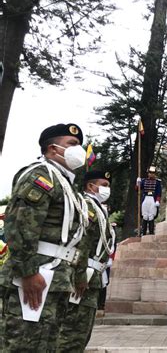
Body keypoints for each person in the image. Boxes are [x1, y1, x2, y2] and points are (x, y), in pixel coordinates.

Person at [0, 123, 89, 351]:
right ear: (52, 149)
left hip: (56, 277)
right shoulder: (40, 176)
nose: (78, 149)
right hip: (37, 274)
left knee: (46, 345)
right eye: (72, 144)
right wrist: (28, 272)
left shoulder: (66, 184)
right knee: (22, 344)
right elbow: (19, 226)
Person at [57, 170, 115, 351]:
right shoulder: (87, 207)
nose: (107, 189)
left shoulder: (97, 208)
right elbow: (81, 241)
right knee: (72, 334)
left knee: (81, 334)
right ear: (91, 186)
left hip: (93, 277)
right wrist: (79, 275)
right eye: (103, 185)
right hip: (84, 275)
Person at [136, 166, 161, 236]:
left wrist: (158, 201)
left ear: (155, 174)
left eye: (153, 173)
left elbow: (159, 193)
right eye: (150, 173)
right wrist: (138, 183)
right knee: (145, 216)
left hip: (153, 199)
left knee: (151, 216)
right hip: (145, 198)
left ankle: (151, 233)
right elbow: (137, 189)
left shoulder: (158, 182)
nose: (151, 174)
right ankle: (143, 233)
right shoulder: (143, 181)